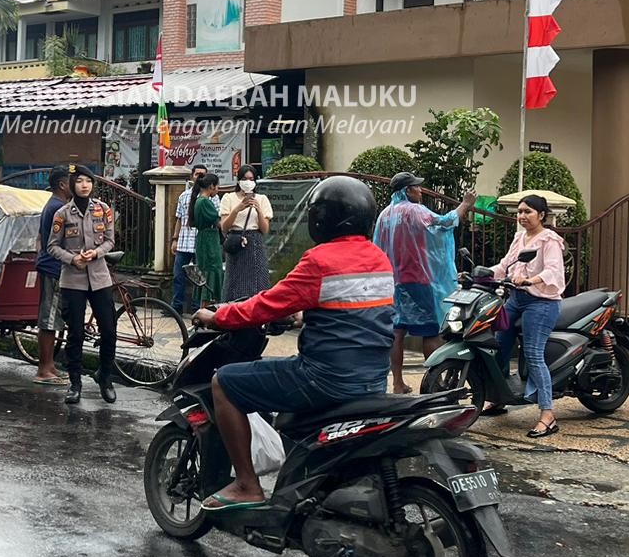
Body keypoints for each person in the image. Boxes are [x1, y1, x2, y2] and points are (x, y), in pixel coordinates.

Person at [192, 176, 394, 510]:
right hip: (373, 378)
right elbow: (363, 310)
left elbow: (265, 305)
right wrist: (307, 315)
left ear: (321, 218)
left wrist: (219, 316)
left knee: (224, 383)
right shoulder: (379, 259)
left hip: (324, 378)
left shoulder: (319, 261)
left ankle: (246, 484)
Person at [373, 172, 475, 394]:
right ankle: (434, 383)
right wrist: (465, 204)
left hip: (392, 281)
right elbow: (444, 223)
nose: (420, 191)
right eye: (416, 187)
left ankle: (398, 383)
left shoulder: (384, 215)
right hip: (417, 279)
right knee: (430, 331)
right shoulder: (415, 211)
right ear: (408, 190)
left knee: (397, 331)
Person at [486, 195, 567, 438]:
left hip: (541, 302)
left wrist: (531, 279)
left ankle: (548, 414)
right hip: (516, 299)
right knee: (498, 345)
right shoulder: (520, 238)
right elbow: (504, 266)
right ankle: (499, 398)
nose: (522, 216)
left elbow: (553, 270)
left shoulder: (549, 240)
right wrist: (478, 274)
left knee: (532, 352)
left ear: (541, 215)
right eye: (519, 211)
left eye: (528, 211)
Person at [47, 165, 117, 405]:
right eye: (80, 181)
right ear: (73, 185)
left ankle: (105, 377)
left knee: (109, 330)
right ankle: (74, 382)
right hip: (73, 280)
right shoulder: (63, 213)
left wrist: (96, 253)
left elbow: (110, 240)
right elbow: (52, 246)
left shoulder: (103, 209)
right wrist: (72, 258)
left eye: (88, 181)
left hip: (99, 277)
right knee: (75, 333)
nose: (84, 185)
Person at [32, 169, 73, 386]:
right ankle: (43, 369)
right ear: (62, 185)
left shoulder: (54, 205)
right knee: (48, 320)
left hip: (55, 266)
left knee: (54, 318)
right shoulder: (58, 208)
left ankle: (50, 366)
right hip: (54, 268)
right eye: (72, 182)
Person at [219, 165, 273, 303]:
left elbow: (265, 229)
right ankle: (232, 313)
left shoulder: (262, 199)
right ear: (239, 180)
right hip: (236, 241)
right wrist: (237, 209)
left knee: (257, 281)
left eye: (251, 179)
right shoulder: (228, 198)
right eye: (244, 178)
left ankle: (258, 315)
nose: (248, 182)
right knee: (234, 281)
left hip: (255, 242)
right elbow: (224, 227)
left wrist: (258, 210)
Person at [171, 164, 208, 313]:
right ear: (192, 176)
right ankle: (175, 306)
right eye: (197, 174)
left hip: (201, 242)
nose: (199, 177)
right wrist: (174, 239)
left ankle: (196, 307)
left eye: (203, 175)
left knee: (200, 278)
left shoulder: (211, 196)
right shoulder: (183, 196)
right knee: (178, 276)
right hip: (184, 242)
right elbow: (179, 219)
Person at [192, 172, 224, 304]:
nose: (218, 189)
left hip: (204, 240)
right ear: (211, 186)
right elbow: (219, 222)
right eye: (217, 186)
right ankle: (206, 309)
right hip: (209, 242)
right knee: (212, 271)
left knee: (207, 271)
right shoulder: (205, 202)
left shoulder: (200, 200)